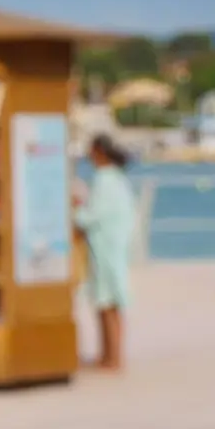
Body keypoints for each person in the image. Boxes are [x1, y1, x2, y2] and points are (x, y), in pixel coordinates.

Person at [73, 133, 137, 371]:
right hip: (114, 248)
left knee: (108, 303)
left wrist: (75, 214)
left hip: (105, 249)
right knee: (108, 302)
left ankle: (114, 357)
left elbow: (93, 215)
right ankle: (108, 354)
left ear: (98, 152)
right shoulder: (117, 179)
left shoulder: (105, 180)